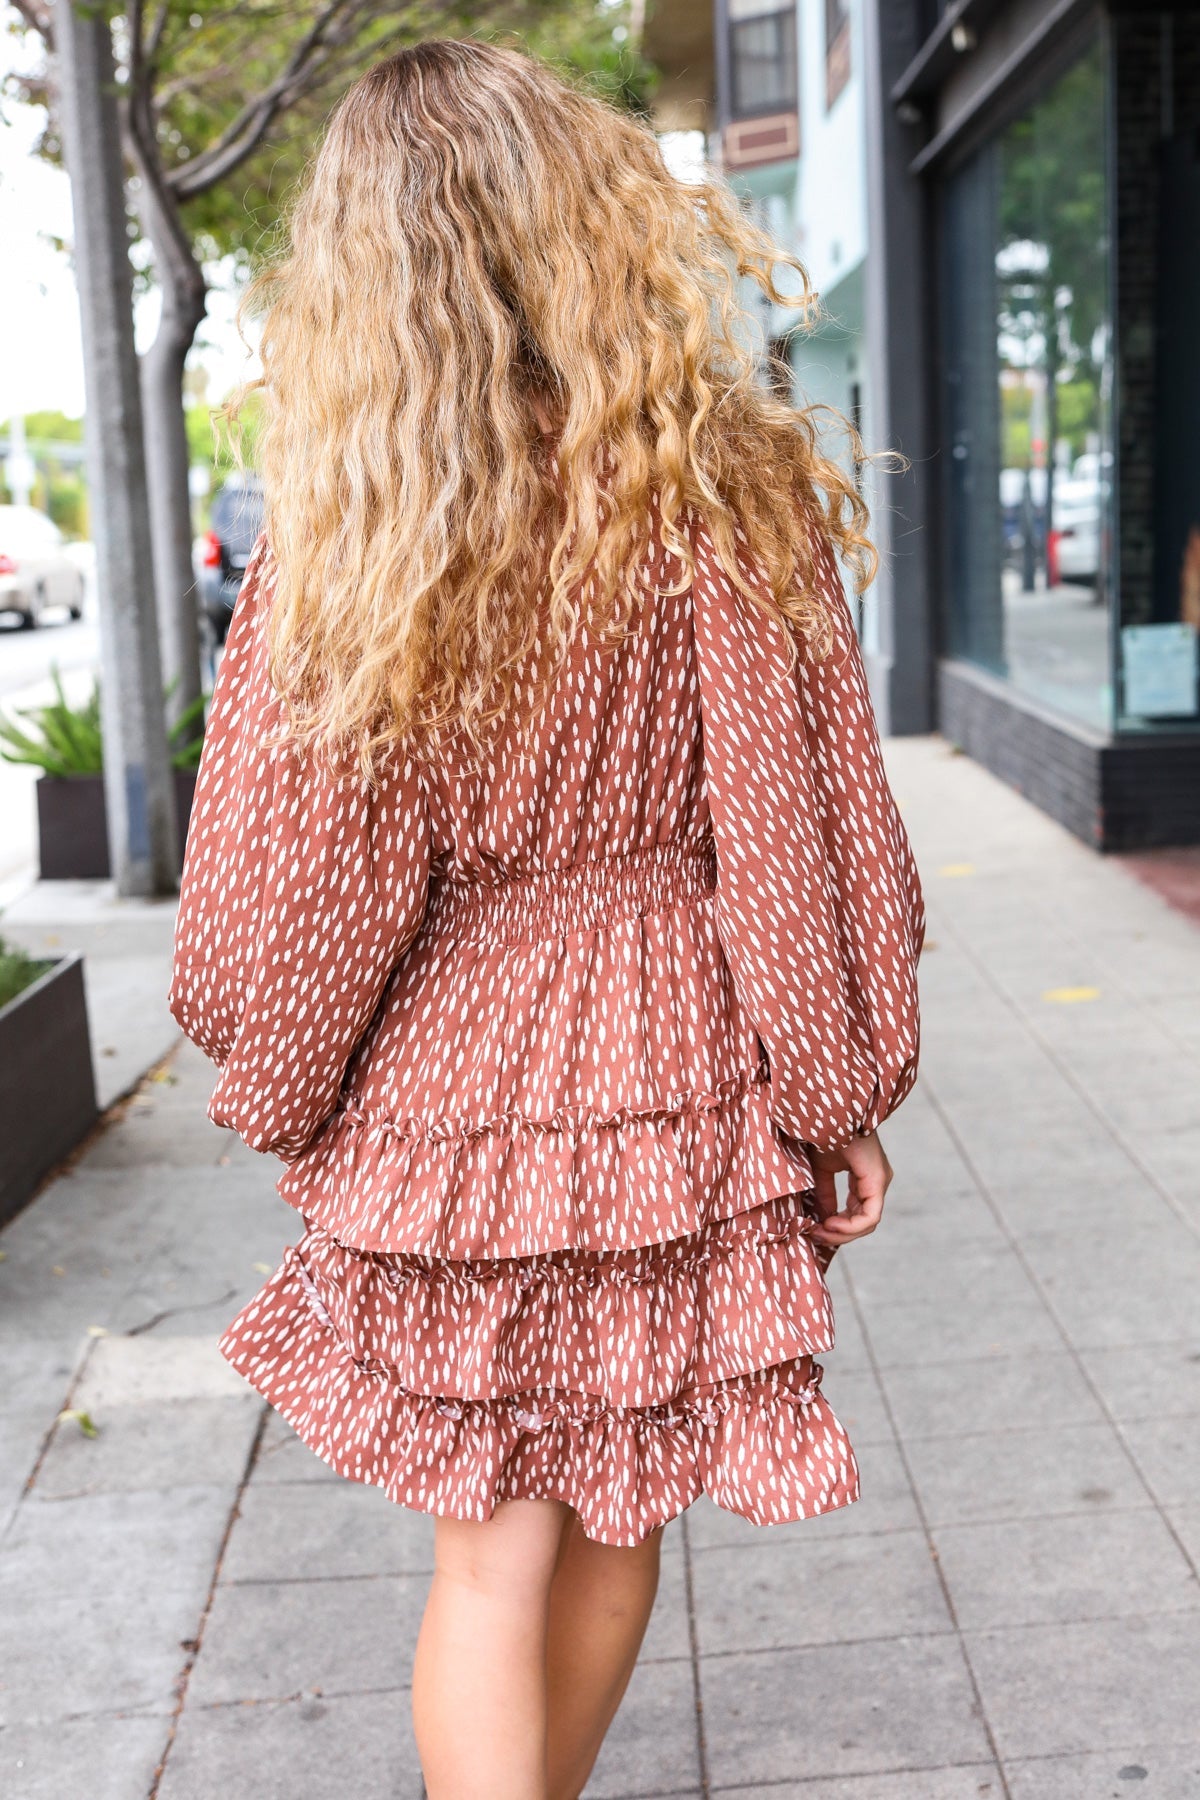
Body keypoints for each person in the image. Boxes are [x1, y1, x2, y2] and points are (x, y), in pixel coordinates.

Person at [169, 37, 924, 1800]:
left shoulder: (356, 526)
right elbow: (793, 828)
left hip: (459, 1082)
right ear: (578, 212)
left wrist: (283, 1083)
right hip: (677, 1064)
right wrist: (839, 1088)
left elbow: (315, 875)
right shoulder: (718, 482)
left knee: (489, 1551)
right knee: (622, 1506)